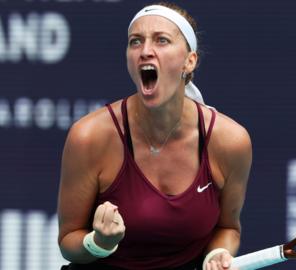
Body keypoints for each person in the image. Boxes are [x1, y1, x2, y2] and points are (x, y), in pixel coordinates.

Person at [57, 2, 252, 270]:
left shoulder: (230, 141)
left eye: (162, 40)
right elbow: (68, 241)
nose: (145, 51)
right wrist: (98, 242)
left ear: (189, 60)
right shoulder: (89, 137)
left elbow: (228, 227)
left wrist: (216, 254)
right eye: (135, 42)